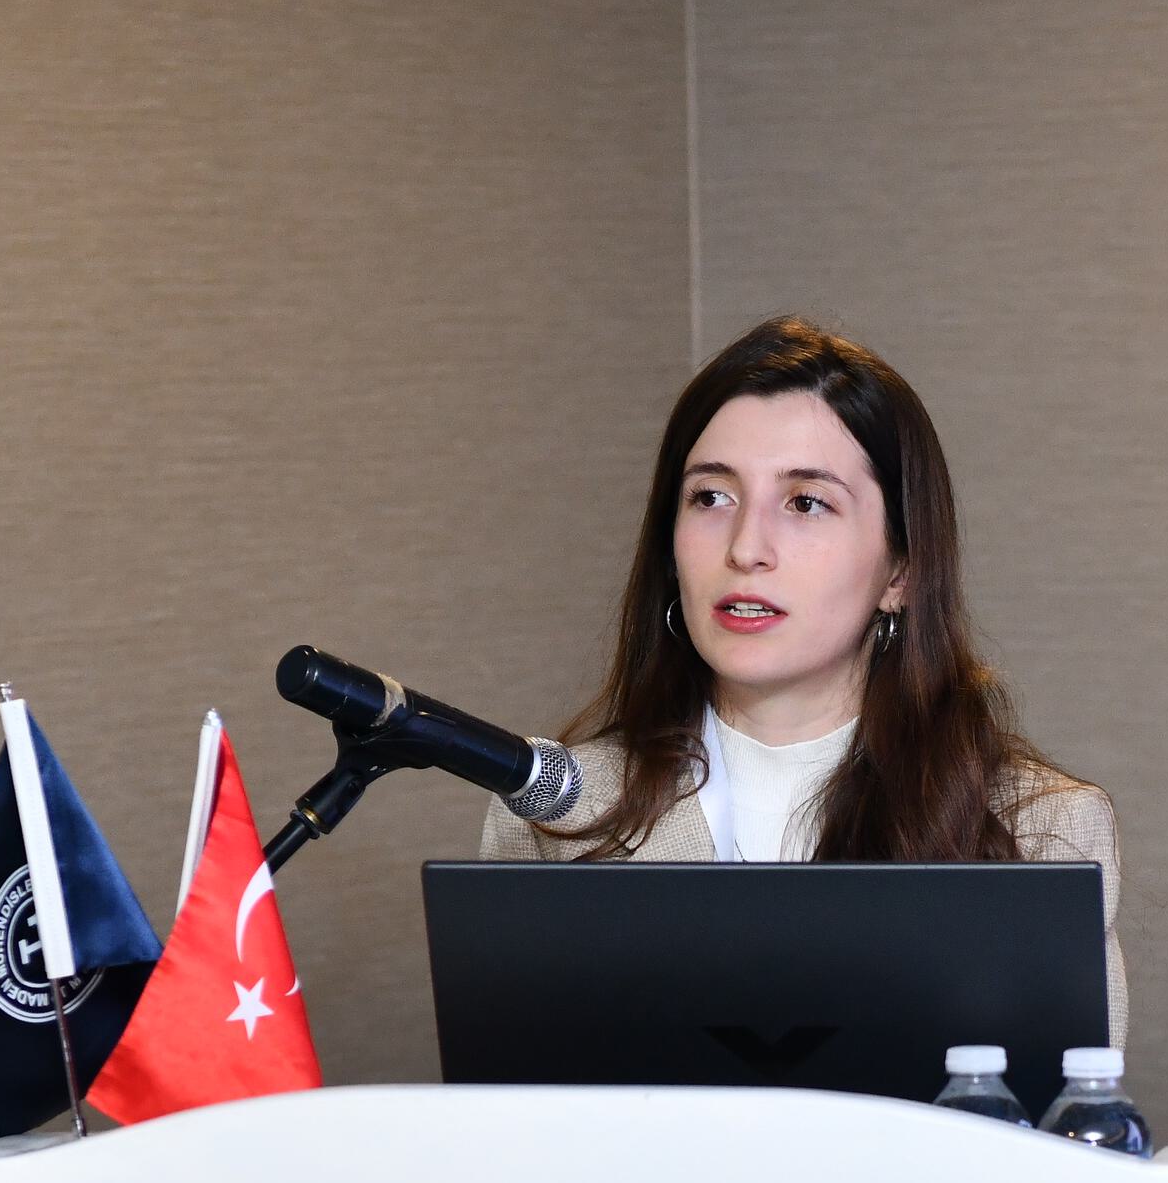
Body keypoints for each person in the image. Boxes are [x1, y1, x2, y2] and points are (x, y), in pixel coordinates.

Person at [478, 315, 1127, 1040]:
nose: (746, 548)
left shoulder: (1039, 830)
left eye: (806, 502)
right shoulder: (553, 811)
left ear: (902, 571)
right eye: (711, 497)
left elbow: (1059, 1107)